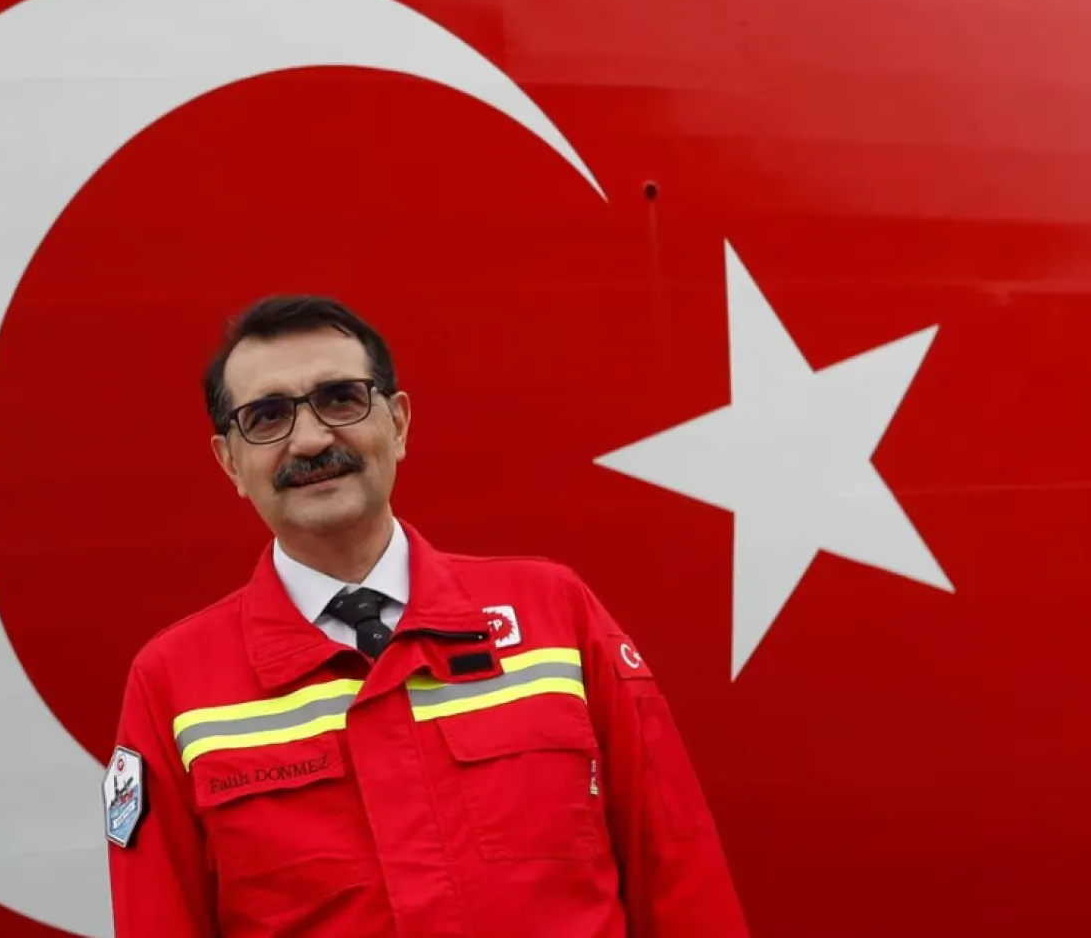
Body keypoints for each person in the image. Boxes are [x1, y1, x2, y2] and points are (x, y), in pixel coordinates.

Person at [104, 294, 749, 938]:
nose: (310, 438)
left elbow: (680, 877)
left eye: (340, 399)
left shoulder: (556, 614)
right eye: (266, 416)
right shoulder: (174, 685)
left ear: (400, 424)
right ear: (230, 463)